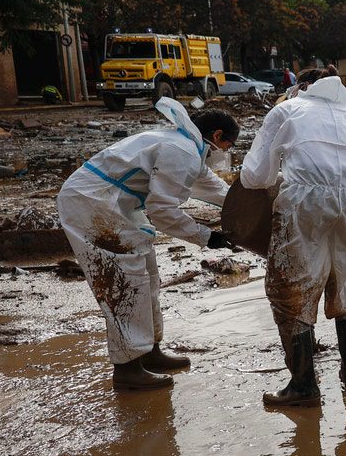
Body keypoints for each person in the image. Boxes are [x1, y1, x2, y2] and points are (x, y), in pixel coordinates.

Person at [57, 98, 238, 390]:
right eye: (229, 146)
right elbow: (162, 211)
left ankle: (150, 352)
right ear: (217, 136)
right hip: (92, 203)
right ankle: (127, 368)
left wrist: (246, 205)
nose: (226, 153)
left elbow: (216, 189)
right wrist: (208, 237)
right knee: (125, 283)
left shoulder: (188, 149)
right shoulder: (181, 151)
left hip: (114, 204)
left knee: (149, 275)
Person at [241, 65, 346, 408]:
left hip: (306, 201)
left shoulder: (287, 109)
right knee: (345, 281)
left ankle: (303, 385)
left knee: (290, 289)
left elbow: (254, 177)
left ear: (301, 87)